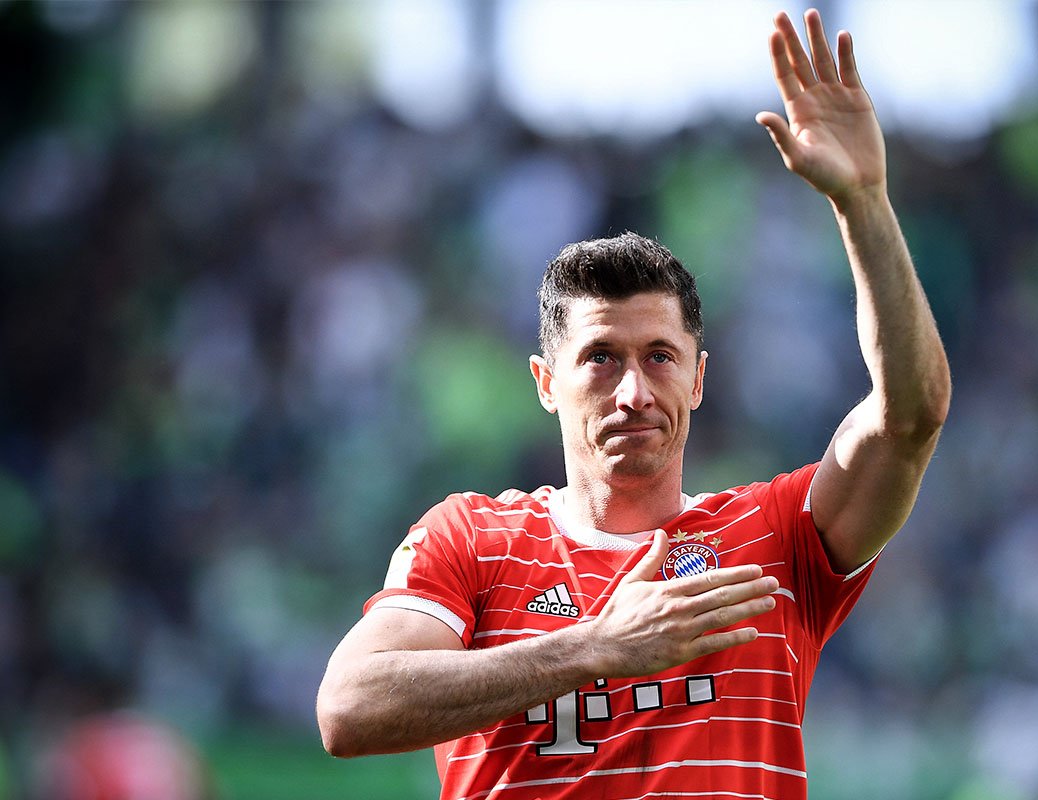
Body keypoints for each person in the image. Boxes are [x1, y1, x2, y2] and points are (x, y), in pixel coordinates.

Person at [317, 8, 950, 799]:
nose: (633, 392)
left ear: (699, 379)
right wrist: (597, 647)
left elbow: (909, 417)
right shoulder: (473, 540)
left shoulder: (775, 538)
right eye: (599, 359)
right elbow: (348, 708)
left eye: (659, 357)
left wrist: (864, 203)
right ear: (546, 384)